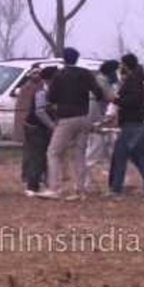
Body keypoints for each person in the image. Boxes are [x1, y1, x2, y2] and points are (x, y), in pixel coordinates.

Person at [38, 48, 105, 200]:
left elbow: (51, 98)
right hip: (83, 116)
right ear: (77, 58)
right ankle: (80, 190)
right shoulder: (86, 73)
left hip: (66, 118)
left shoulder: (59, 75)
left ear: (63, 59)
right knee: (79, 154)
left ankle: (54, 188)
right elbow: (99, 93)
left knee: (53, 152)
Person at [107, 54, 144, 196]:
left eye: (122, 63)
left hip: (131, 122)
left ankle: (116, 188)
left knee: (121, 154)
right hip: (136, 122)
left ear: (127, 64)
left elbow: (133, 101)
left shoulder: (133, 80)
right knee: (138, 156)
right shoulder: (138, 78)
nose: (121, 66)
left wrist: (116, 100)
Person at [23, 66, 57, 196]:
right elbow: (40, 112)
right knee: (37, 156)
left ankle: (47, 182)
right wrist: (52, 125)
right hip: (34, 127)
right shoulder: (41, 92)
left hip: (44, 127)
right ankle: (32, 186)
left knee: (46, 155)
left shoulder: (52, 91)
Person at [86, 60, 119, 170]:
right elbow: (112, 98)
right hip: (95, 114)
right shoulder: (102, 81)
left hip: (100, 114)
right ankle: (83, 175)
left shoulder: (104, 81)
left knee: (109, 143)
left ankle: (111, 173)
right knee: (96, 144)